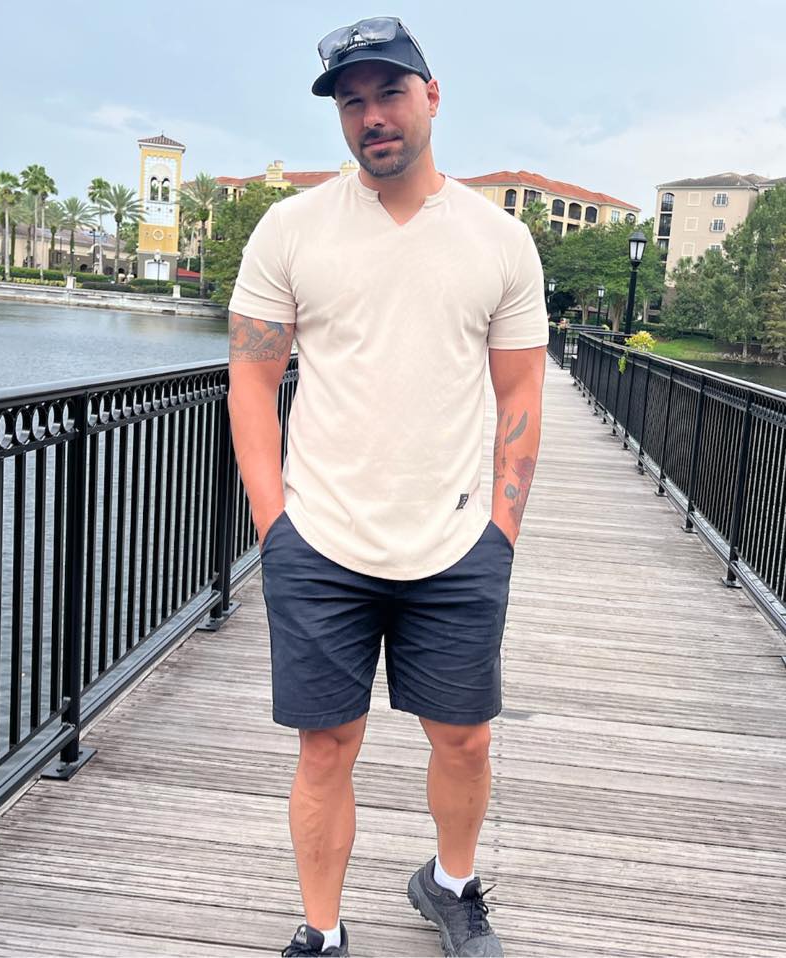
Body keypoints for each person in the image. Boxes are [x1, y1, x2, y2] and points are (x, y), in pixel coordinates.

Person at [227, 16, 547, 958]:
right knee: (325, 748)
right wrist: (272, 524)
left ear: (432, 94)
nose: (372, 117)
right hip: (319, 539)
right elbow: (251, 379)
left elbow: (521, 388)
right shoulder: (291, 230)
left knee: (465, 742)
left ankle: (450, 884)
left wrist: (503, 527)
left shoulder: (499, 241)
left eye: (389, 92)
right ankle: (322, 932)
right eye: (352, 101)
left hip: (457, 541)